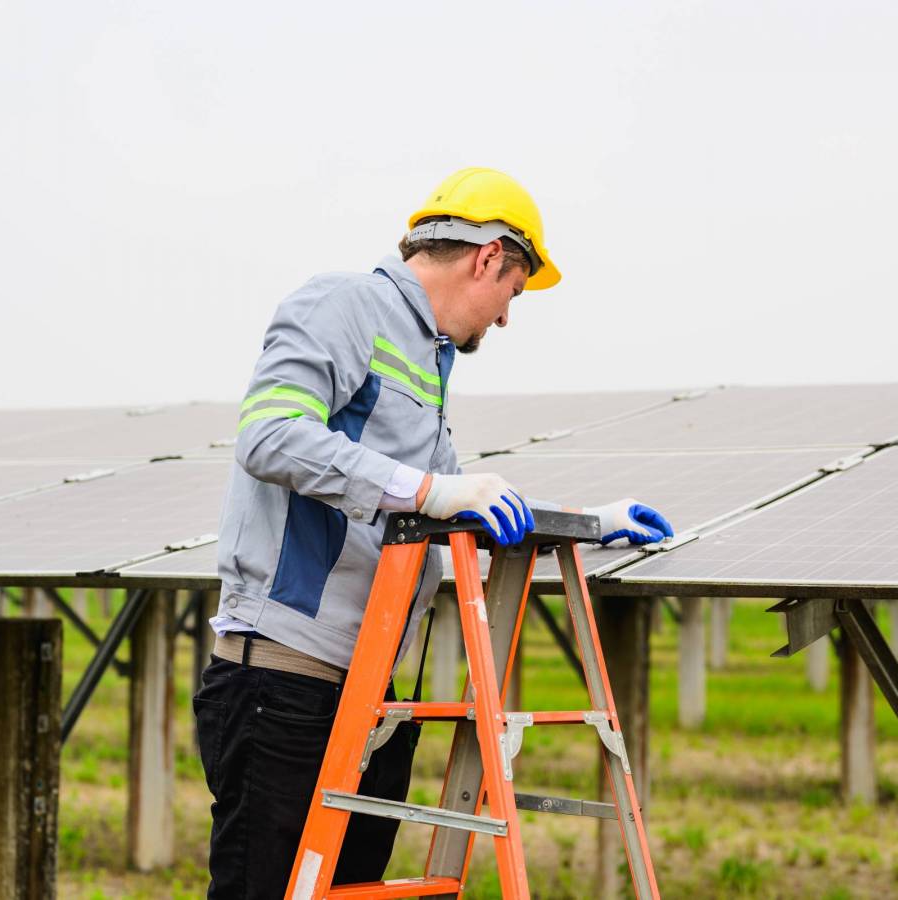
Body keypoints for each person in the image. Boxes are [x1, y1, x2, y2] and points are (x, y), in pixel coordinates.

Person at [193, 167, 673, 898]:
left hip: (370, 697)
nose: (506, 318)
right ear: (487, 259)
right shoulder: (343, 305)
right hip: (285, 681)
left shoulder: (426, 363)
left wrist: (591, 523)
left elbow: (454, 501)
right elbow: (270, 435)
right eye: (512, 293)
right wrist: (433, 489)